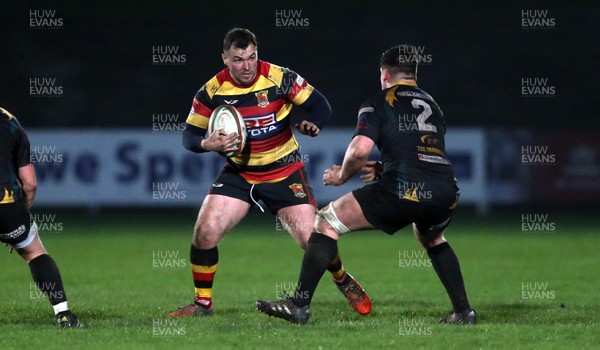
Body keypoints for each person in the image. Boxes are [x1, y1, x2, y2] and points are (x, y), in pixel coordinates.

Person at [256, 45, 476, 325]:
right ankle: (463, 312)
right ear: (414, 74)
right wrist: (385, 169)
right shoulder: (433, 105)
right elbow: (424, 153)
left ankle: (299, 305)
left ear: (385, 74)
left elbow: (360, 150)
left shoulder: (379, 100)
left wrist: (342, 176)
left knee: (326, 222)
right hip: (445, 190)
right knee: (432, 237)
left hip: (404, 188)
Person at [169, 28, 371, 317]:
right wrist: (206, 143)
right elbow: (189, 136)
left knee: (311, 241)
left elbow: (320, 106)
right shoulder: (212, 91)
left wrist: (313, 124)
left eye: (252, 57)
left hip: (284, 171)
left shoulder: (280, 78)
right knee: (204, 231)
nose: (247, 66)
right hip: (239, 174)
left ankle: (342, 279)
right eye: (238, 60)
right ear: (224, 59)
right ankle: (202, 304)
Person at [0, 107, 81, 328]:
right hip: (6, 204)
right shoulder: (10, 122)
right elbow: (30, 183)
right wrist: (20, 215)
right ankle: (63, 315)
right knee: (33, 252)